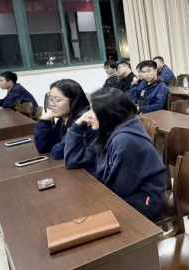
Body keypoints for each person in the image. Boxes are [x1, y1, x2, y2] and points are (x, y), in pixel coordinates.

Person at [64, 88, 167, 221]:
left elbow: (120, 189)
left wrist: (91, 192)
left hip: (143, 202)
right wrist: (77, 126)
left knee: (83, 210)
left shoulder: (125, 140)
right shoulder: (109, 132)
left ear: (108, 113)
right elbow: (73, 160)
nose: (87, 115)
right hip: (124, 195)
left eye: (93, 110)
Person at [34, 79, 97, 161]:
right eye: (51, 99)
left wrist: (56, 147)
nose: (52, 104)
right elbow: (44, 146)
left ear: (74, 101)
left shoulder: (84, 120)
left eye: (57, 100)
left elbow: (58, 153)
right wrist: (44, 120)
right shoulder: (65, 118)